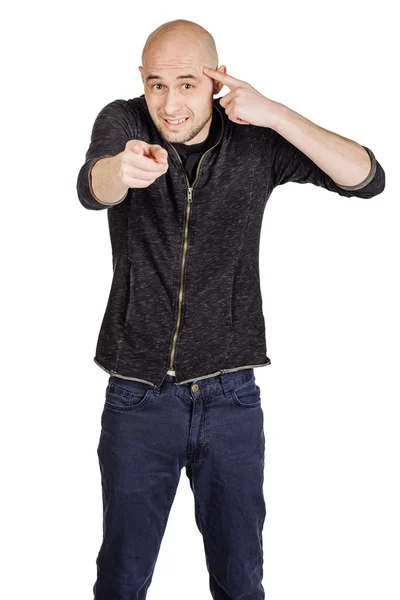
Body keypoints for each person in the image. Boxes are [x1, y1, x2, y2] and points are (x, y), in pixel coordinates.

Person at [76, 19, 385, 600]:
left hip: (232, 398)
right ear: (141, 82)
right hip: (138, 396)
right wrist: (125, 168)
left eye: (188, 84)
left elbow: (366, 178)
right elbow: (94, 186)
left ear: (216, 80)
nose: (170, 104)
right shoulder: (123, 121)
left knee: (242, 582)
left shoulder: (254, 140)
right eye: (157, 85)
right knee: (120, 581)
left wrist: (276, 114)